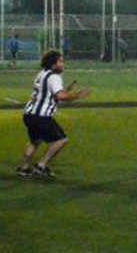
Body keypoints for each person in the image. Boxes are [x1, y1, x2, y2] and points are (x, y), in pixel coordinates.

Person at [17, 50, 91, 178]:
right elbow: (60, 96)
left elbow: (45, 92)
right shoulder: (55, 77)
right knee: (61, 140)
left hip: (30, 114)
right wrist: (78, 95)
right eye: (61, 61)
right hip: (42, 116)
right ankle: (42, 165)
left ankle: (23, 167)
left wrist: (66, 89)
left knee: (35, 141)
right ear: (53, 64)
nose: (63, 64)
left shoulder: (42, 74)